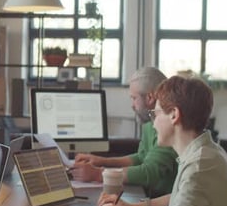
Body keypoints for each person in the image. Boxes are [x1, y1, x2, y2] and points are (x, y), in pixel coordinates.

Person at [98, 76, 227, 206]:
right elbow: (180, 196)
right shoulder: (205, 152)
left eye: (155, 114)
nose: (153, 124)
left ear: (174, 114)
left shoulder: (201, 163)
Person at [70, 67, 178, 197]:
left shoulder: (167, 126)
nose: (132, 105)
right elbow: (141, 158)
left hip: (163, 205)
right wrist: (101, 161)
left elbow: (149, 172)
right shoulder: (149, 123)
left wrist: (98, 174)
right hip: (149, 196)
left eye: (134, 98)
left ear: (150, 97)